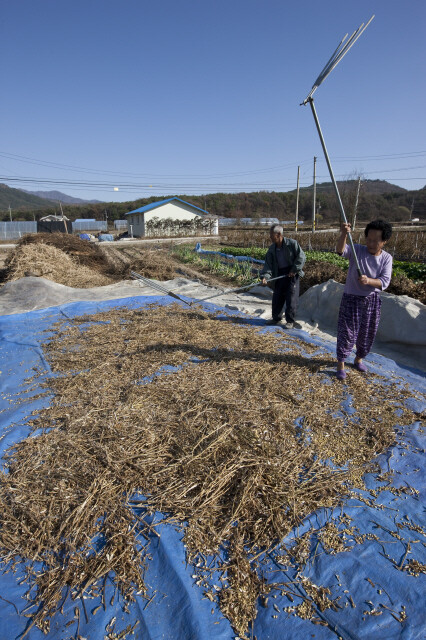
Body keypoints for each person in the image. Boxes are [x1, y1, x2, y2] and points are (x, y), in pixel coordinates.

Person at [335, 219, 393, 380]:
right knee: (347, 332)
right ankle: (341, 363)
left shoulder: (386, 258)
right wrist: (344, 234)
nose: (371, 243)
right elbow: (340, 250)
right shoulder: (357, 250)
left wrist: (369, 281)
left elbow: (384, 282)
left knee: (366, 333)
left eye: (376, 240)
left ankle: (358, 359)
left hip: (371, 300)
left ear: (384, 241)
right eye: (369, 239)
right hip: (351, 299)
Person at [260, 224, 306, 329]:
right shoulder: (272, 249)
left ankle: (290, 321)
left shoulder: (292, 244)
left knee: (291, 298)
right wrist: (265, 277)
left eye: (272, 235)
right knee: (277, 297)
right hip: (279, 274)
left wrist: (294, 269)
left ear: (279, 234)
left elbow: (301, 257)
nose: (270, 237)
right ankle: (276, 318)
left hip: (291, 274)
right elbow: (268, 265)